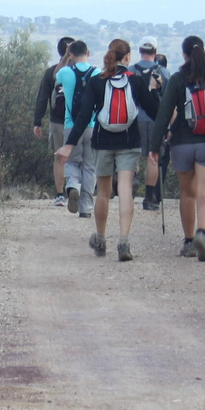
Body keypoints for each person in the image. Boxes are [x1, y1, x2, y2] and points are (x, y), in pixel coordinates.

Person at [59, 38, 160, 261]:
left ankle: (101, 239)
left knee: (103, 193)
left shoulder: (98, 81)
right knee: (125, 191)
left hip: (102, 142)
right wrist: (153, 91)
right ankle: (124, 242)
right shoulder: (135, 82)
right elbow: (155, 113)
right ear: (128, 57)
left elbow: (84, 116)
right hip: (129, 142)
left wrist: (69, 144)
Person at [150, 36, 205, 261]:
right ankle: (202, 233)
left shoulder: (178, 80)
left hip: (181, 143)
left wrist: (154, 146)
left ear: (184, 55)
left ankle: (189, 241)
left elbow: (163, 114)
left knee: (187, 194)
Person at [55, 41, 98, 217]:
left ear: (71, 54)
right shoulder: (98, 73)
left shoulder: (65, 72)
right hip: (92, 126)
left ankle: (72, 185)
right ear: (88, 52)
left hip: (70, 125)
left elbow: (54, 76)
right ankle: (86, 207)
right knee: (90, 167)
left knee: (71, 161)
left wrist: (66, 57)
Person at [33, 37, 76, 205]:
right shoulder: (80, 71)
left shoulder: (51, 72)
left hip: (57, 121)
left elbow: (42, 98)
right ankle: (74, 188)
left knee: (59, 157)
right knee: (76, 158)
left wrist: (37, 121)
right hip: (77, 122)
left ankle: (59, 195)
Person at [130, 39, 169, 211]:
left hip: (134, 119)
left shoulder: (130, 71)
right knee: (152, 158)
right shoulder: (164, 72)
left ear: (139, 50)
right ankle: (150, 198)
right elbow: (169, 101)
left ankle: (132, 181)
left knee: (132, 155)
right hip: (155, 120)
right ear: (155, 51)